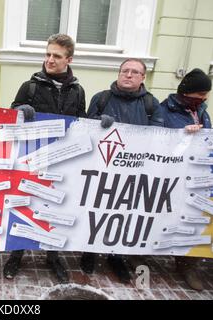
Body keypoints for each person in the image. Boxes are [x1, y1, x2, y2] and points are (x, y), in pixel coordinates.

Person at [3, 34, 87, 283]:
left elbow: (82, 121)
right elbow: (12, 114)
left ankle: (52, 255)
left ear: (68, 59)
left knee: (57, 207)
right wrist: (20, 110)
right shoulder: (30, 86)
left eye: (56, 56)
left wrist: (98, 124)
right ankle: (16, 254)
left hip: (63, 160)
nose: (50, 60)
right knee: (24, 205)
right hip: (32, 157)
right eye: (48, 54)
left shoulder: (78, 90)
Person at [83, 58, 164, 283]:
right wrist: (100, 122)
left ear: (143, 78)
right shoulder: (102, 98)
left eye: (134, 72)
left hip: (133, 168)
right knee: (96, 210)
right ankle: (88, 251)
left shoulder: (151, 103)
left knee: (122, 213)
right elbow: (86, 126)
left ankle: (115, 255)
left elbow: (159, 134)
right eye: (125, 71)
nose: (128, 75)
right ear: (118, 73)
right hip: (102, 165)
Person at [160, 68, 213, 291]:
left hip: (196, 172)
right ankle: (143, 255)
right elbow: (157, 140)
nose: (204, 98)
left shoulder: (202, 111)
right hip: (171, 172)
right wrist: (183, 135)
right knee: (164, 215)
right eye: (200, 93)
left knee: (194, 217)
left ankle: (187, 263)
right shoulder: (164, 110)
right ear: (187, 92)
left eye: (206, 93)